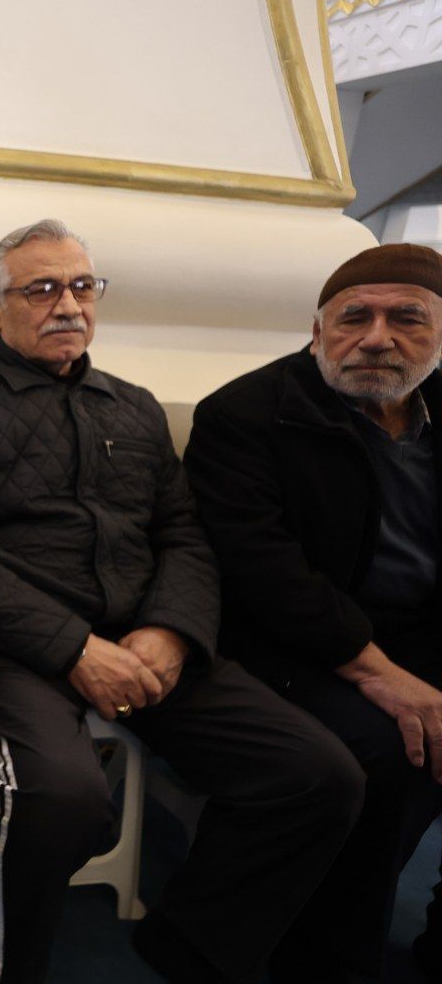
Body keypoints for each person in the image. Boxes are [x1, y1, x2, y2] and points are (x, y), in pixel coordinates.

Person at [0, 218, 363, 984]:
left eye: (83, 286)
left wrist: (171, 631)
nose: (68, 304)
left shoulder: (134, 405)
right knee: (62, 797)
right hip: (6, 646)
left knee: (319, 774)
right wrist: (74, 647)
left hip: (144, 636)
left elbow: (184, 532)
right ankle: (6, 968)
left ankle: (190, 944)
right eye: (42, 289)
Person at [184, 242, 442, 983]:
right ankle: (325, 962)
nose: (377, 338)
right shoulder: (246, 413)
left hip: (420, 630)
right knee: (390, 751)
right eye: (354, 317)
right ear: (318, 328)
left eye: (407, 319)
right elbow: (264, 573)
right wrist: (384, 675)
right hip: (290, 642)